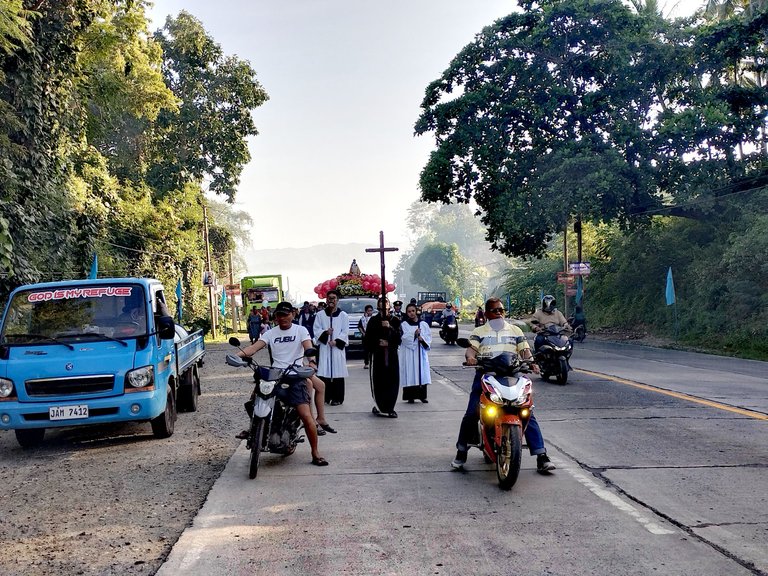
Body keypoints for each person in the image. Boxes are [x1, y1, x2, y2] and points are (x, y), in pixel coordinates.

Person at [451, 297, 555, 473]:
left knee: (526, 410)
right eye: (494, 310)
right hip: (486, 374)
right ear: (486, 313)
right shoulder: (480, 331)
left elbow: (525, 351)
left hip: (512, 374)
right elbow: (471, 349)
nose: (498, 313)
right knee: (471, 413)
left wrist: (531, 363)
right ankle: (461, 451)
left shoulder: (515, 330)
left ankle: (541, 455)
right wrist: (469, 357)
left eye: (501, 310)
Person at [235, 301, 328, 466]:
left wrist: (312, 362)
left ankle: (315, 452)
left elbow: (308, 347)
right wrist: (238, 356)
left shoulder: (300, 330)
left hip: (295, 375)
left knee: (306, 416)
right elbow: (254, 347)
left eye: (286, 314)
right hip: (275, 375)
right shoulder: (271, 333)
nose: (282, 318)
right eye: (279, 315)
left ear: (292, 314)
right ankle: (253, 429)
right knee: (255, 398)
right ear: (275, 316)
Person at [364, 297, 402, 418]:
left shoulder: (395, 320)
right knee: (379, 381)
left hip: (391, 355)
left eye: (386, 303)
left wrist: (389, 328)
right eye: (382, 303)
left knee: (392, 380)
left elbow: (399, 338)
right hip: (378, 355)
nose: (384, 305)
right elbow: (368, 339)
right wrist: (378, 343)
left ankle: (390, 407)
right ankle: (379, 406)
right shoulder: (373, 321)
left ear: (389, 306)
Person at [313, 289, 349, 406]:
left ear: (337, 300)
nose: (331, 300)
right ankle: (325, 397)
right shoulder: (320, 315)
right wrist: (325, 333)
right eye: (329, 298)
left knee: (337, 372)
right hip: (325, 348)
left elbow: (345, 331)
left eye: (333, 298)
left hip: (336, 348)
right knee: (325, 371)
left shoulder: (343, 315)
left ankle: (338, 398)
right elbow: (316, 330)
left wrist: (337, 341)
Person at [399, 302, 431, 403]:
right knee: (410, 372)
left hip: (420, 351)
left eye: (413, 311)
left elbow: (428, 337)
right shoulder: (404, 324)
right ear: (406, 313)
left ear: (416, 311)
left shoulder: (423, 324)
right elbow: (403, 338)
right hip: (409, 352)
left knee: (420, 372)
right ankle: (410, 396)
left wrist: (422, 339)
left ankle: (422, 396)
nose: (411, 313)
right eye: (409, 312)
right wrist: (414, 334)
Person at [358, 304, 374, 369]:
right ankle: (366, 363)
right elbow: (359, 327)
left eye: (371, 311)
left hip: (372, 337)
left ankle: (372, 362)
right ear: (366, 311)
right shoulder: (362, 319)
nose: (370, 312)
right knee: (366, 350)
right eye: (368, 311)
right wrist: (363, 333)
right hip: (365, 337)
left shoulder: (374, 318)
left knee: (372, 351)